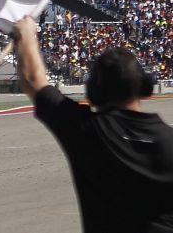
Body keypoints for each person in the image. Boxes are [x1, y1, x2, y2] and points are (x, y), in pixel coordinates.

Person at [12, 15, 173, 233]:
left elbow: (34, 80)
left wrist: (26, 34)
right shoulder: (169, 140)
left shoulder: (88, 130)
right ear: (144, 87)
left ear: (95, 91)